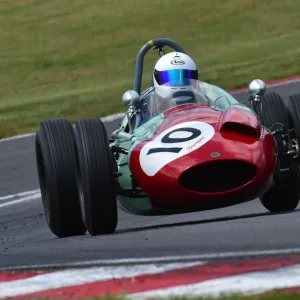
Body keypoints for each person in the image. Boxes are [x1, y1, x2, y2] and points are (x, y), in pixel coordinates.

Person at [137, 52, 210, 126]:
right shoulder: (147, 111)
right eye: (169, 77)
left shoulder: (206, 100)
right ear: (156, 77)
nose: (179, 83)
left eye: (186, 77)